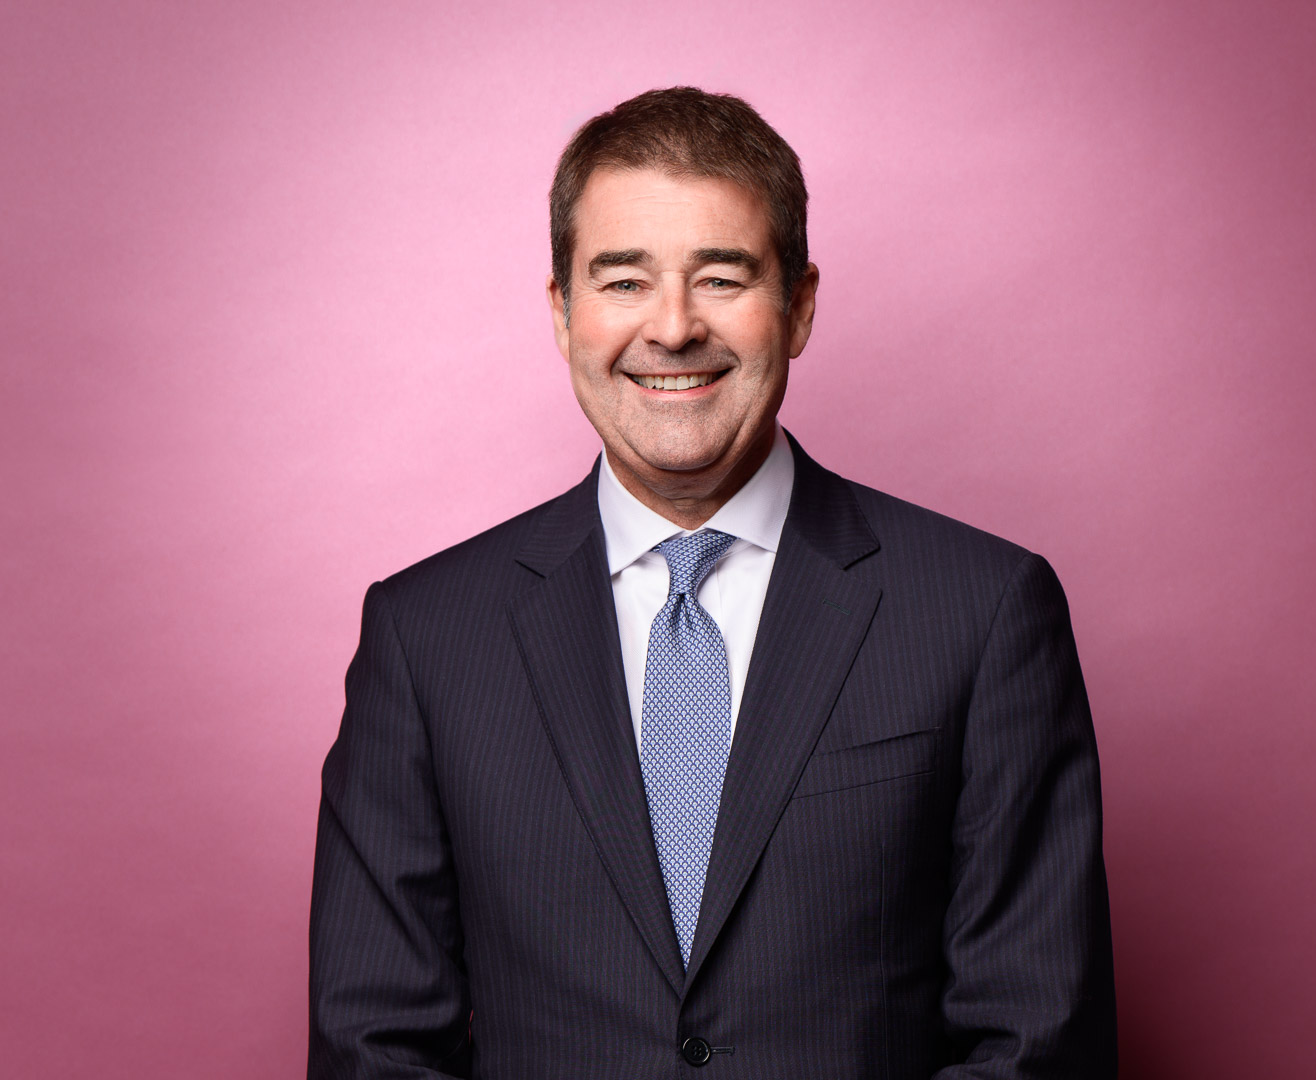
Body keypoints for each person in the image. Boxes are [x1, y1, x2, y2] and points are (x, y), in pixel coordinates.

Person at [308, 87, 1116, 1078]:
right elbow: (373, 1048)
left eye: (722, 278)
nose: (674, 327)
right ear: (562, 313)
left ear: (800, 306)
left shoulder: (982, 612)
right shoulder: (426, 637)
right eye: (623, 281)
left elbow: (1037, 1041)